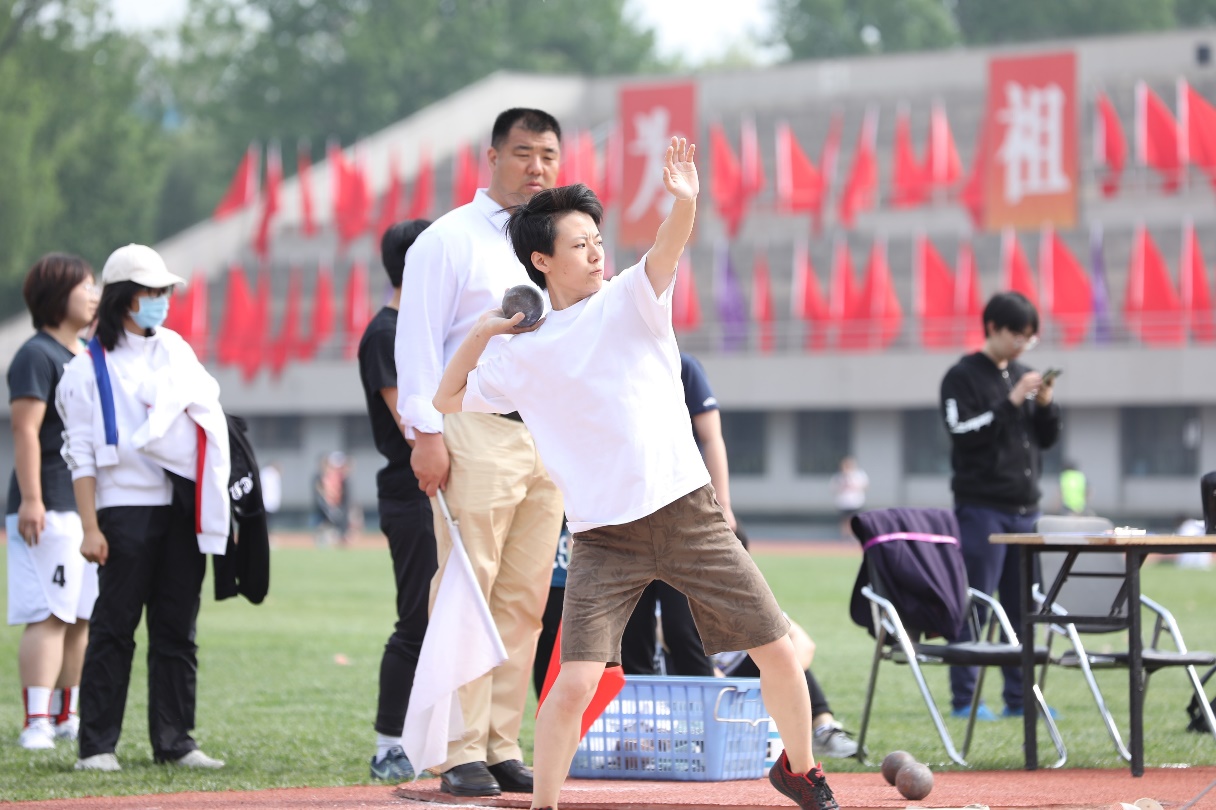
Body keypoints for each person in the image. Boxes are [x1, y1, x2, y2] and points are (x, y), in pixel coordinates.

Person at [434, 139, 839, 810]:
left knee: (776, 647)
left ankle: (800, 769)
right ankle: (545, 805)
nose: (596, 252)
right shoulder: (523, 354)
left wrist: (686, 202)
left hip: (688, 515)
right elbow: (447, 399)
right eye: (579, 245)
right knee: (575, 681)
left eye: (598, 240)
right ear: (541, 260)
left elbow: (668, 247)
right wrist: (485, 332)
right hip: (603, 539)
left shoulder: (632, 298)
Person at [394, 108, 566, 797]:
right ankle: (457, 749)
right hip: (472, 428)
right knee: (469, 586)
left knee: (525, 598)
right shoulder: (447, 240)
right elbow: (417, 342)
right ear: (492, 157)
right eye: (523, 152)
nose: (536, 167)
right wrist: (425, 433)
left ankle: (499, 743)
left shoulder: (556, 242)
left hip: (544, 434)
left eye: (547, 154)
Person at [57, 243, 230, 772]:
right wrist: (90, 527)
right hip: (123, 508)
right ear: (123, 298)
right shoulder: (84, 369)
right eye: (151, 292)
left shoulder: (175, 349)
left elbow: (207, 414)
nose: (161, 300)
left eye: (164, 291)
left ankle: (175, 741)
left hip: (180, 505)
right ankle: (97, 745)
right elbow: (80, 454)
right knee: (114, 627)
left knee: (178, 628)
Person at [940, 291, 1060, 721]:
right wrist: (1009, 404)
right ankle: (965, 699)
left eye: (1030, 337)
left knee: (1022, 607)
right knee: (975, 602)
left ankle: (1020, 698)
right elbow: (962, 432)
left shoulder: (1025, 375)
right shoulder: (962, 376)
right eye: (1017, 335)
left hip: (1026, 510)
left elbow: (1046, 439)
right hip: (982, 509)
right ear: (993, 327)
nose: (1023, 344)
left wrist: (1045, 407)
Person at [7, 254, 100, 750]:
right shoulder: (36, 355)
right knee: (49, 613)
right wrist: (31, 499)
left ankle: (68, 714)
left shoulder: (86, 355)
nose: (94, 295)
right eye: (86, 286)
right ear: (57, 295)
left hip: (85, 507)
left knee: (81, 615)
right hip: (50, 502)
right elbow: (25, 429)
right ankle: (37, 721)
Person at [359, 219, 438, 781]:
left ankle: (431, 739)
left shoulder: (421, 330)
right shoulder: (386, 334)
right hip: (411, 493)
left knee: (440, 618)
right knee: (416, 616)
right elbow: (412, 427)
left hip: (439, 490)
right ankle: (389, 743)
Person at [830, 456, 868, 540]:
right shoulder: (838, 477)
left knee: (855, 520)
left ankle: (854, 535)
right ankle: (845, 536)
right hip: (843, 502)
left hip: (856, 502)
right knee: (844, 520)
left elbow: (865, 486)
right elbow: (833, 488)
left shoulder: (859, 475)